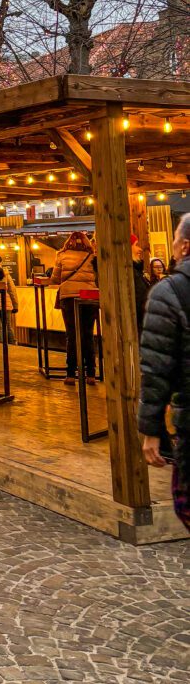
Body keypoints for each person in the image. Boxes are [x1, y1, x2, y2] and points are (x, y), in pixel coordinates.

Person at [138, 212, 190, 532]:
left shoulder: (168, 292)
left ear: (185, 246)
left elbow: (156, 369)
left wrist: (151, 430)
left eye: (173, 239)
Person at [49, 231, 97, 386]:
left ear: (68, 241)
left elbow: (55, 279)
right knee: (88, 334)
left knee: (72, 335)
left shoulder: (61, 255)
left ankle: (70, 374)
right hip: (89, 297)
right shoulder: (92, 256)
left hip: (68, 298)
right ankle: (91, 374)